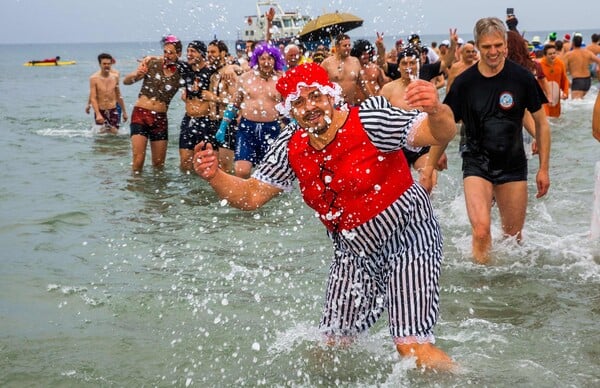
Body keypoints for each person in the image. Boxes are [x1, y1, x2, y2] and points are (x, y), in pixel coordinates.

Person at [193, 62, 457, 371]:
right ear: (290, 111)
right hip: (353, 254)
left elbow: (438, 133)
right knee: (330, 349)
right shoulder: (291, 146)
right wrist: (214, 176)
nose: (310, 107)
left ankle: (471, 380)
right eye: (299, 102)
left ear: (331, 96)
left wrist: (437, 110)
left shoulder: (370, 120)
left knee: (411, 348)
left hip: (409, 239)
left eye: (315, 97)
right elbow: (251, 195)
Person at [443, 17, 551, 264]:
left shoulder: (522, 78)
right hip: (476, 161)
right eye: (486, 47)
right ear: (477, 47)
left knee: (513, 238)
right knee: (481, 231)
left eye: (497, 45)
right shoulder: (464, 82)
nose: (493, 52)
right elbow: (446, 122)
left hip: (512, 163)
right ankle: (482, 289)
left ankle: (507, 291)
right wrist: (431, 163)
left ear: (505, 44)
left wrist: (544, 168)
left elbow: (542, 125)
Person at [379, 47, 447, 193]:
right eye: (404, 63)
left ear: (419, 64)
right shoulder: (388, 89)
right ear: (398, 66)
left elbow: (438, 121)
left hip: (422, 144)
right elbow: (378, 122)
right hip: (396, 147)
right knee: (396, 191)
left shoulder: (428, 88)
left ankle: (428, 213)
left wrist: (440, 149)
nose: (408, 67)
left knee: (428, 183)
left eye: (412, 63)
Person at [222, 42, 284, 178]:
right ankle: (241, 198)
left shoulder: (281, 80)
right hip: (247, 129)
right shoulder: (246, 78)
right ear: (257, 60)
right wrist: (223, 127)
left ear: (275, 60)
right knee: (241, 171)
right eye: (263, 58)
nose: (266, 62)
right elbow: (235, 103)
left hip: (271, 130)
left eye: (270, 59)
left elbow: (290, 107)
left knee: (269, 176)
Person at [123, 35, 183, 172]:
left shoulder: (181, 72)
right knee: (138, 160)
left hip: (160, 118)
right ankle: (135, 189)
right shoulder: (152, 64)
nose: (167, 55)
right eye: (165, 52)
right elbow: (126, 81)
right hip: (140, 114)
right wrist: (137, 74)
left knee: (159, 164)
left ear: (179, 54)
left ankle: (156, 193)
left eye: (171, 53)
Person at [178, 41, 217, 171]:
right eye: (188, 51)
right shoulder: (185, 70)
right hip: (188, 120)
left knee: (206, 164)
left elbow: (231, 66)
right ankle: (189, 190)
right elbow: (169, 59)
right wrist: (151, 58)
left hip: (205, 121)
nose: (189, 54)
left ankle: (204, 190)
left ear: (201, 54)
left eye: (192, 51)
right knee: (185, 163)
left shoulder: (211, 72)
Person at [320, 34, 368, 106]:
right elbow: (319, 85)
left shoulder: (355, 61)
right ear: (337, 47)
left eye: (349, 45)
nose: (348, 48)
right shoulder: (327, 63)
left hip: (350, 105)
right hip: (333, 106)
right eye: (345, 46)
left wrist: (372, 99)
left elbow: (363, 85)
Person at [88, 53, 127, 134]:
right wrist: (97, 114)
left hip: (113, 110)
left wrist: (124, 112)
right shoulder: (94, 78)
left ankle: (114, 147)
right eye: (104, 64)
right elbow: (93, 97)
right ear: (100, 64)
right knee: (101, 134)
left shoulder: (115, 77)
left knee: (114, 133)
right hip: (100, 110)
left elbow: (119, 95)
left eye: (109, 64)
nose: (107, 65)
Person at [563, 34, 600, 99]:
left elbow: (563, 70)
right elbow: (599, 61)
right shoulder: (588, 52)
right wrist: (598, 69)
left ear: (573, 43)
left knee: (576, 105)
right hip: (588, 81)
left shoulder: (568, 55)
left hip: (577, 81)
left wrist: (566, 82)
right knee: (583, 102)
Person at [539, 44, 570, 118]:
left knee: (555, 120)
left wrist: (565, 92)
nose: (553, 55)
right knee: (546, 119)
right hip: (543, 98)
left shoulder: (560, 63)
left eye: (554, 53)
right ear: (544, 55)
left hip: (556, 99)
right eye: (550, 54)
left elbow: (564, 79)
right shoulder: (540, 65)